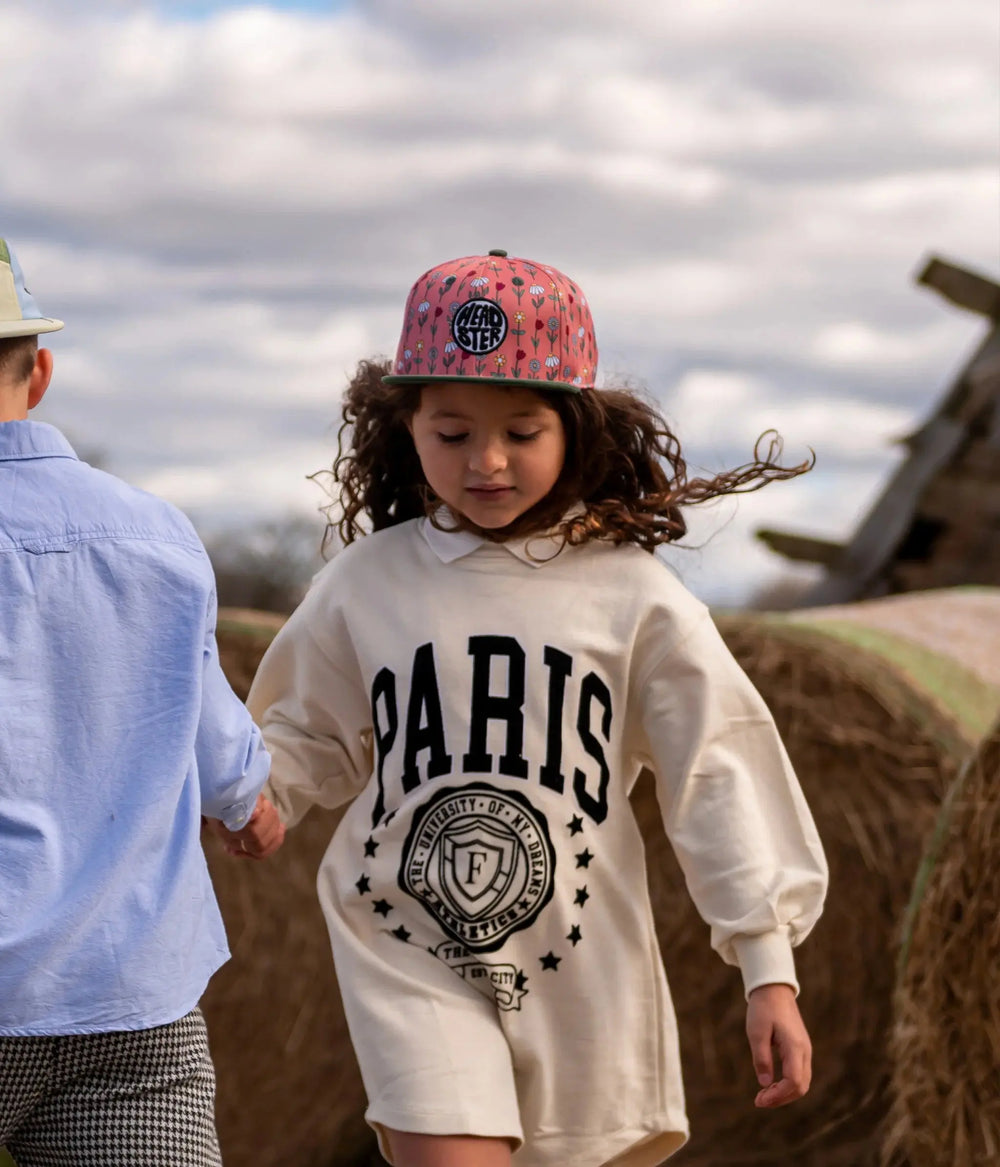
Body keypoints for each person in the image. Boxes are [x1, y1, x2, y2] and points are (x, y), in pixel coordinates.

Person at [242, 249, 829, 1167]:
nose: (486, 461)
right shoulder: (364, 583)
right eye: (450, 433)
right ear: (406, 430)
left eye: (521, 431)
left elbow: (716, 767)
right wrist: (261, 796)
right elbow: (306, 730)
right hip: (405, 940)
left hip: (581, 964)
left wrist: (768, 969)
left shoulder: (637, 596)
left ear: (578, 430)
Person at [0, 238, 285, 1167]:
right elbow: (211, 734)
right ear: (39, 372)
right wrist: (249, 807)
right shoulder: (155, 534)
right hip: (130, 997)